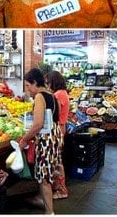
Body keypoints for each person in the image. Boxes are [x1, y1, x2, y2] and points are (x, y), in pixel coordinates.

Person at [18, 68, 61, 215]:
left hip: (45, 140)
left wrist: (24, 139)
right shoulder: (52, 96)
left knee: (44, 180)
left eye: (28, 86)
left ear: (35, 83)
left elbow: (38, 124)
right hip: (54, 137)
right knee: (47, 176)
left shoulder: (40, 97)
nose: (27, 90)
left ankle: (50, 212)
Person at [46, 70, 69, 200]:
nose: (48, 85)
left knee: (57, 161)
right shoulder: (63, 93)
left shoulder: (59, 94)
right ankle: (56, 187)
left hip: (58, 129)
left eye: (48, 82)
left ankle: (62, 190)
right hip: (62, 127)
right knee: (56, 159)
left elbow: (54, 114)